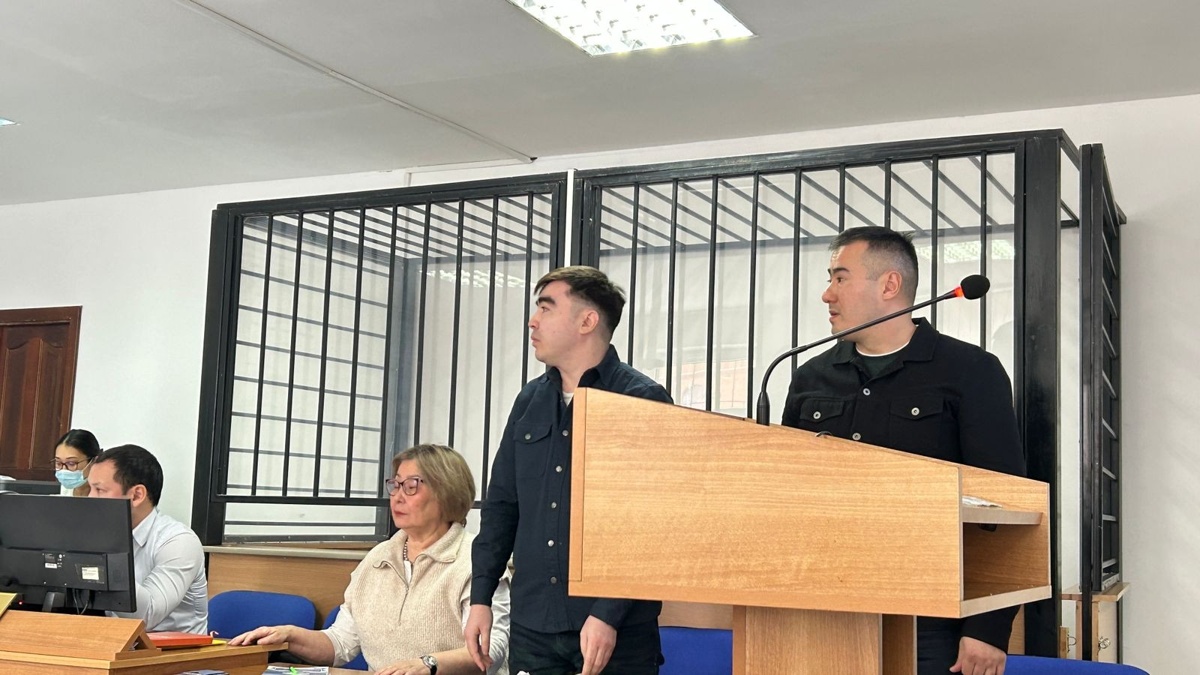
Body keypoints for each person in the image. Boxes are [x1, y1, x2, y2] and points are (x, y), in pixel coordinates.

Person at [780, 226, 1026, 675]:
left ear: (889, 285)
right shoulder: (810, 376)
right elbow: (786, 495)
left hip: (931, 619)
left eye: (840, 278)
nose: (827, 295)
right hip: (821, 610)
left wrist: (988, 627)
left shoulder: (970, 372)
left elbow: (1003, 507)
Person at [466, 266, 672, 675]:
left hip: (613, 630)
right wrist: (480, 598)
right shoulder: (529, 401)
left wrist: (608, 612)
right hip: (533, 625)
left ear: (587, 321)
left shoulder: (641, 398)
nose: (533, 320)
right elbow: (502, 506)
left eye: (546, 308)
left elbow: (650, 522)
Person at [231, 444, 511, 675]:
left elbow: (492, 651)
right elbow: (341, 643)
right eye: (395, 485)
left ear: (446, 492)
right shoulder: (378, 558)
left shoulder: (479, 559)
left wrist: (428, 664)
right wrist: (290, 636)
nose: (397, 497)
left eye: (411, 486)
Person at [87, 444, 209, 633]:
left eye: (99, 490)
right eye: (89, 489)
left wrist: (101, 553)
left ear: (137, 495)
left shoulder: (179, 541)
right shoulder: (105, 535)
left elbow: (147, 616)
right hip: (113, 644)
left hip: (170, 650)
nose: (90, 498)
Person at [53, 429, 102, 496]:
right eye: (58, 463)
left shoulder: (106, 494)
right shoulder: (64, 491)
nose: (64, 470)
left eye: (71, 463)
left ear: (93, 461)